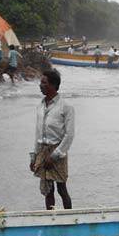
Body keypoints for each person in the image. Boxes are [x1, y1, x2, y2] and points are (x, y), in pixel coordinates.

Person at [30, 69, 75, 210]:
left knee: (61, 188)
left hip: (58, 151)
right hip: (43, 150)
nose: (40, 85)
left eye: (44, 83)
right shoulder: (40, 106)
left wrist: (55, 155)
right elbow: (38, 133)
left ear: (54, 85)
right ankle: (51, 219)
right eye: (41, 82)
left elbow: (69, 135)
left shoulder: (66, 107)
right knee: (48, 190)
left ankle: (69, 218)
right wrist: (34, 156)